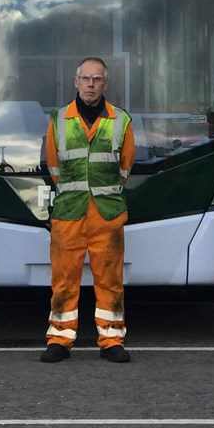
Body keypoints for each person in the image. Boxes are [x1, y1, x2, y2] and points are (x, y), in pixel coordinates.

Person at [40, 57, 136, 364]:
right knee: (63, 280)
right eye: (85, 78)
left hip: (106, 214)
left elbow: (125, 166)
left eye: (97, 79)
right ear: (76, 82)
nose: (91, 84)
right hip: (69, 213)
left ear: (105, 84)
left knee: (110, 280)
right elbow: (53, 167)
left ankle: (111, 339)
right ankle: (59, 339)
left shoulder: (121, 120)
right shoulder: (58, 119)